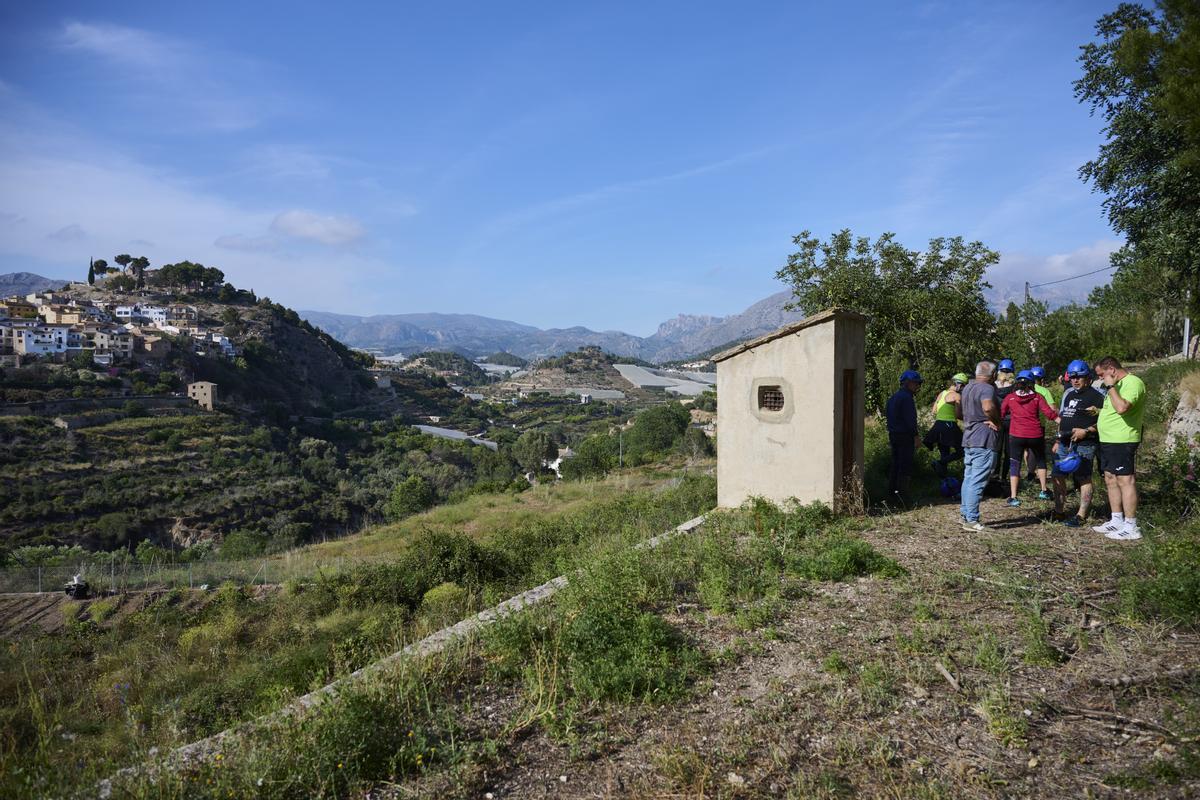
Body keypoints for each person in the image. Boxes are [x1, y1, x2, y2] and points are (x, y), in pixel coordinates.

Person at [1091, 356, 1147, 541]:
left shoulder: (1132, 383)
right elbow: (1114, 408)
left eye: (1101, 375)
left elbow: (1122, 407)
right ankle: (1117, 519)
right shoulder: (1115, 386)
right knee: (1110, 478)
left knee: (1125, 480)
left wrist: (1110, 387)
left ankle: (1131, 525)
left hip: (1123, 440)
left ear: (1111, 370)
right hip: (1108, 439)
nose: (1100, 379)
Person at [1053, 359, 1104, 527]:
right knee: (1058, 475)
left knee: (1083, 478)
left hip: (1085, 444)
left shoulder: (1097, 396)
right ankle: (1059, 511)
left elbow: (1105, 422)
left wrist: (1086, 431)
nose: (1075, 380)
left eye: (1079, 377)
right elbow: (1063, 418)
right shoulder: (1068, 394)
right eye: (1072, 377)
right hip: (1064, 442)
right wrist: (1057, 439)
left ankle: (1081, 515)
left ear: (1087, 377)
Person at [1000, 370, 1059, 506]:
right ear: (1031, 383)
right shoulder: (1037, 397)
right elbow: (1050, 414)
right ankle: (1043, 490)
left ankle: (1014, 496)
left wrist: (993, 423)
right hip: (1035, 435)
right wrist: (1063, 422)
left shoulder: (1010, 397)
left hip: (1016, 435)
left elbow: (1001, 414)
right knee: (1040, 460)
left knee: (1015, 463)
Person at [956, 361, 1001, 532]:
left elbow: (958, 412)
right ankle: (972, 520)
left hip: (968, 437)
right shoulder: (987, 388)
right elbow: (988, 407)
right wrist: (997, 422)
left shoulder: (967, 388)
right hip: (984, 438)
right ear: (993, 375)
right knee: (978, 479)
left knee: (969, 478)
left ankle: (965, 515)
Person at [886, 370, 923, 504]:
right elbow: (910, 420)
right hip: (905, 436)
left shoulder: (894, 397)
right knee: (905, 465)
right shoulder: (907, 398)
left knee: (895, 464)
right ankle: (903, 498)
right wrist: (916, 436)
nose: (917, 386)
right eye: (915, 383)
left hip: (894, 435)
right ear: (907, 383)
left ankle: (892, 495)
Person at [924, 372, 969, 477]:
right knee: (962, 450)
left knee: (944, 452)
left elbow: (934, 410)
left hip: (938, 425)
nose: (963, 389)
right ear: (959, 384)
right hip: (949, 425)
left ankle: (944, 481)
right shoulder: (956, 395)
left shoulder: (942, 393)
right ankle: (940, 463)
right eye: (963, 386)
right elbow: (958, 415)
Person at [992, 359, 1017, 483]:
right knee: (1008, 451)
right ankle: (1004, 477)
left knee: (996, 449)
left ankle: (995, 475)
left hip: (997, 420)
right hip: (1011, 420)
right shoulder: (1014, 387)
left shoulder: (993, 385)